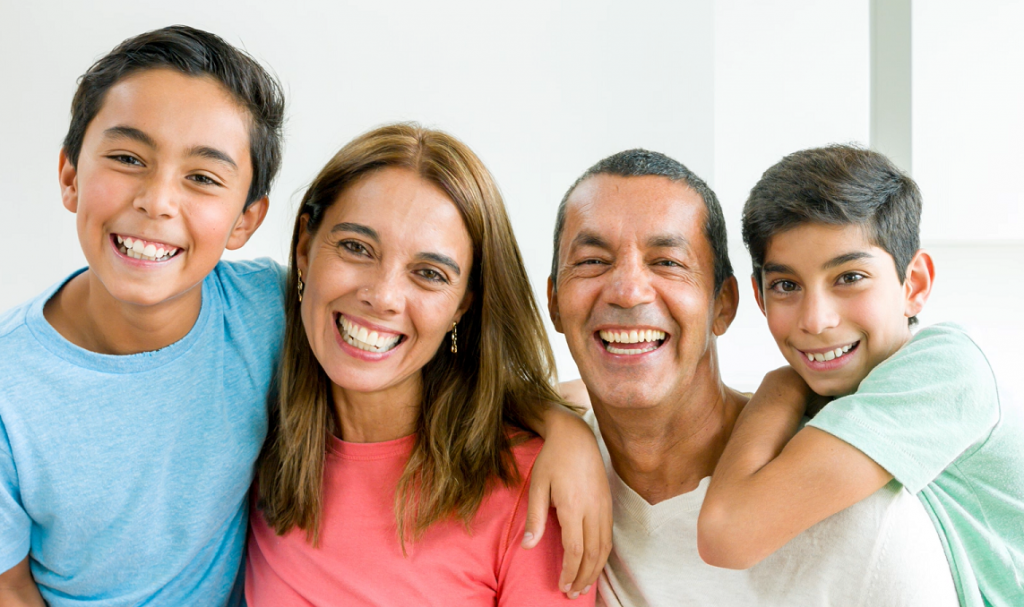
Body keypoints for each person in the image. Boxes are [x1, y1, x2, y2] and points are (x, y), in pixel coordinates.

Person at [0, 28, 607, 606]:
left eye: (204, 177)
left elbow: (473, 372)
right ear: (70, 174)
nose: (157, 201)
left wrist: (566, 428)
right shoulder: (285, 333)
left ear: (247, 219)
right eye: (129, 158)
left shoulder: (263, 314)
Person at [548, 148, 959, 606]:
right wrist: (554, 423)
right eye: (591, 261)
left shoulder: (862, 510)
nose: (627, 291)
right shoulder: (536, 484)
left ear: (724, 305)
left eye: (668, 262)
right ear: (554, 303)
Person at [246, 123, 599, 605]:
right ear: (305, 246)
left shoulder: (536, 489)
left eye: (429, 274)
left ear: (463, 305)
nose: (383, 296)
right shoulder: (253, 436)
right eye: (355, 247)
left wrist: (567, 427)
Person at [699, 145, 1024, 606]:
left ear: (914, 285)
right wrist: (568, 429)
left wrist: (779, 386)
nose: (816, 320)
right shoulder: (854, 393)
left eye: (849, 277)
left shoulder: (947, 370)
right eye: (786, 286)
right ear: (760, 296)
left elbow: (727, 534)